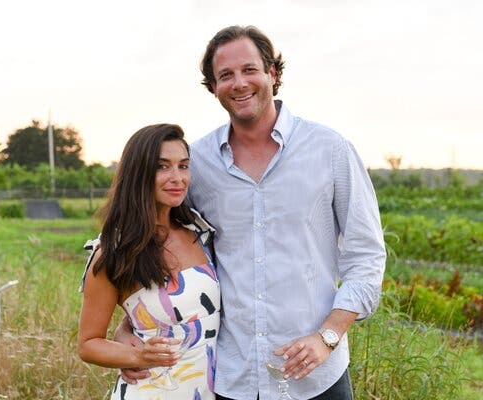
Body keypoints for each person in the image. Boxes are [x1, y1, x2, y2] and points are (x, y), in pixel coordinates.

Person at [117, 26, 386, 400]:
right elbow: (168, 247)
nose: (239, 83)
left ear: (272, 74)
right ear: (213, 87)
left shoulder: (331, 150)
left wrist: (328, 335)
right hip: (231, 376)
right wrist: (127, 326)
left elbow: (367, 255)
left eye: (249, 70)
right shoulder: (197, 164)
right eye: (225, 75)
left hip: (317, 377)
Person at [77, 123, 220, 400]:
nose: (178, 177)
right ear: (138, 173)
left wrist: (126, 326)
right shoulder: (113, 253)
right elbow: (88, 344)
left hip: (210, 390)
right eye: (162, 166)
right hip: (152, 391)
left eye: (183, 166)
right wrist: (134, 355)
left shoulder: (201, 234)